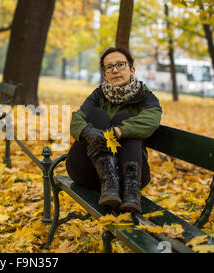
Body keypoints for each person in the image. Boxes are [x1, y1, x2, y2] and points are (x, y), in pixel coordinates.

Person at [66, 47, 162, 213]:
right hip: (89, 170)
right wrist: (89, 133)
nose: (115, 70)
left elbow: (151, 119)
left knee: (124, 120)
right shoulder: (98, 95)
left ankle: (131, 191)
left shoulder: (146, 97)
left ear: (131, 69)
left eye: (120, 64)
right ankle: (109, 181)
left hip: (129, 176)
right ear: (105, 74)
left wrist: (117, 132)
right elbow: (76, 119)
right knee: (97, 116)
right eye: (109, 67)